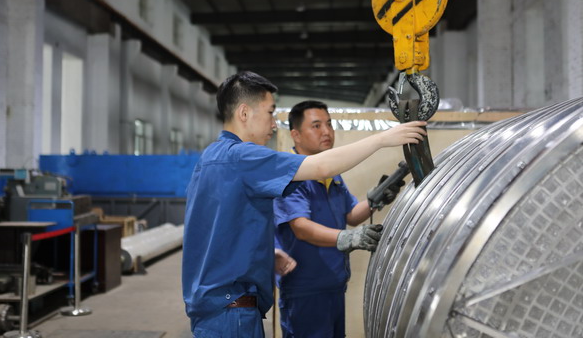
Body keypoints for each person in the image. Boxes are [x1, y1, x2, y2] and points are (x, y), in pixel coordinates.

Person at [182, 71, 426, 338]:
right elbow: (319, 167)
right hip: (233, 309)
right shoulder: (242, 156)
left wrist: (264, 255)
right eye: (269, 112)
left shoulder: (213, 158)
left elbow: (217, 230)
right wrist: (382, 139)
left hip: (220, 307)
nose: (274, 124)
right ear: (244, 113)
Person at [273, 100, 406, 338]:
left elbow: (351, 215)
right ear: (296, 135)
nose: (326, 132)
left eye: (329, 124)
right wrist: (348, 237)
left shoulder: (331, 175)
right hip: (306, 290)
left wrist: (377, 198)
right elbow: (301, 228)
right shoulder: (290, 177)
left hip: (333, 285)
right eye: (316, 126)